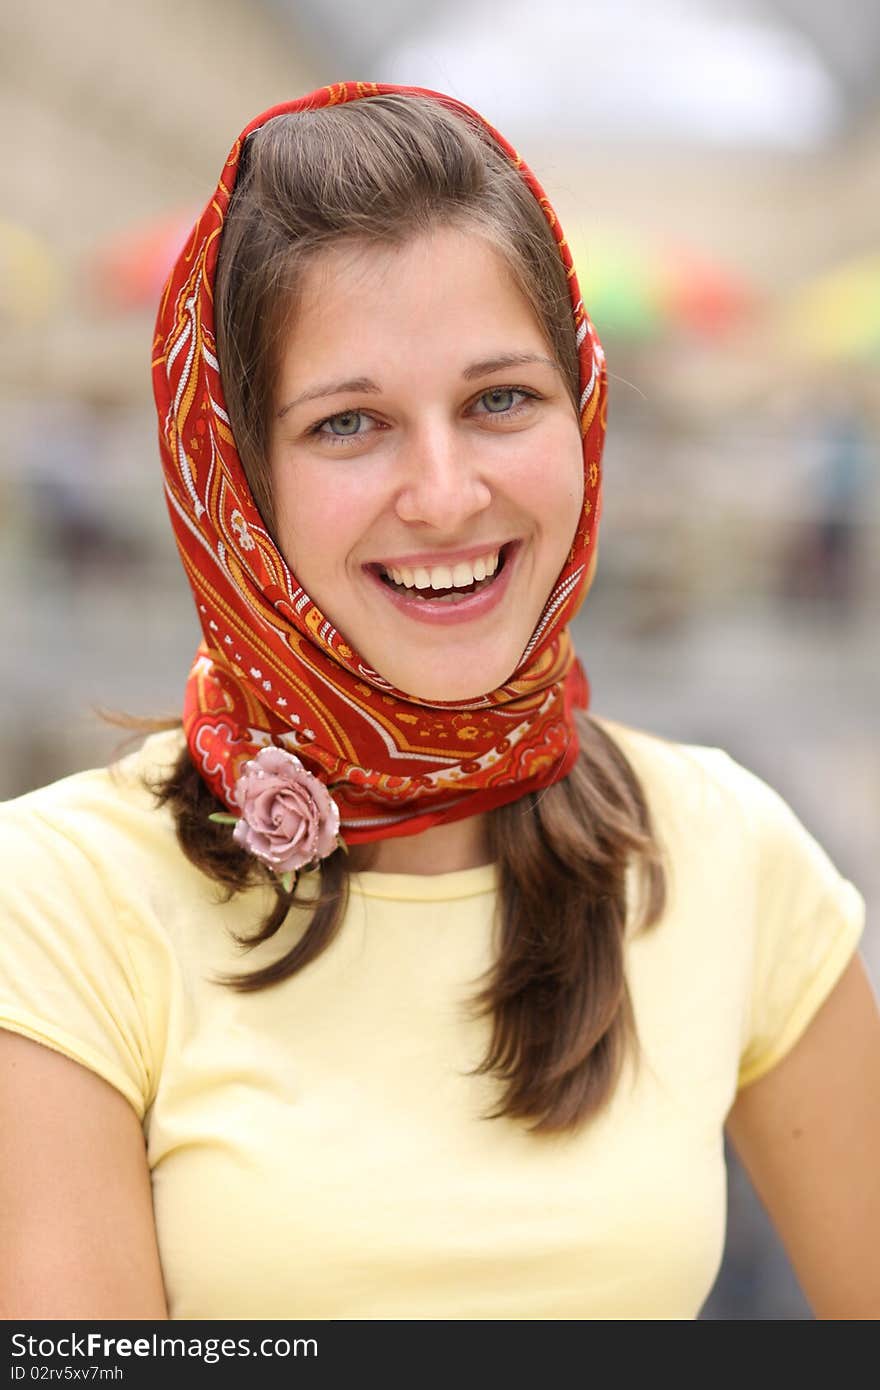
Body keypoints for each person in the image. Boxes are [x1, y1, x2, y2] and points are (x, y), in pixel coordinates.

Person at [1, 82, 878, 1322]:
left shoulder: (729, 848)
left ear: (581, 408)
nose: (445, 491)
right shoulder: (55, 897)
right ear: (236, 480)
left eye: (499, 400)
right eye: (348, 422)